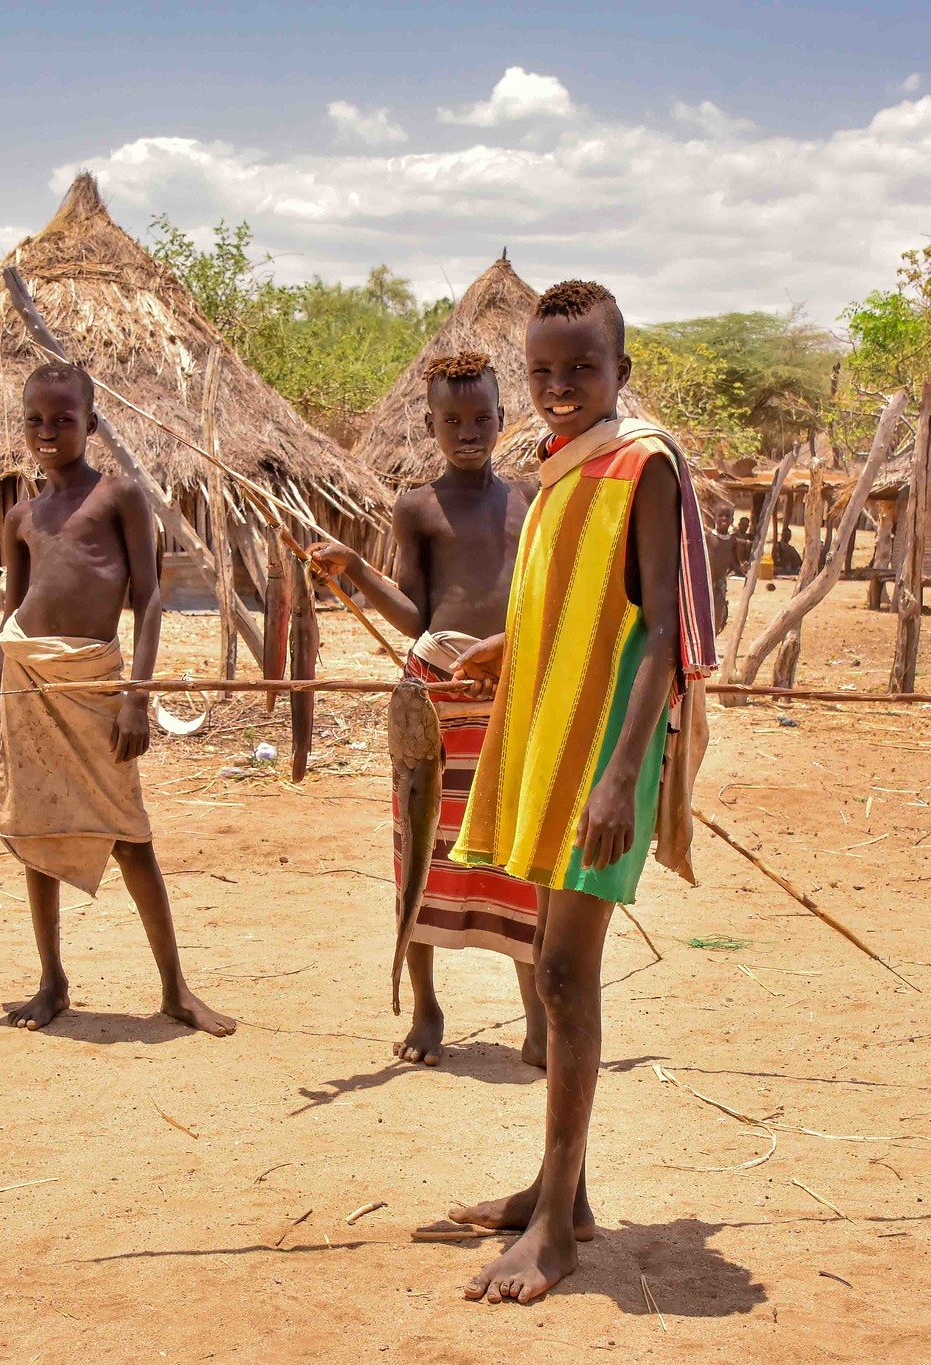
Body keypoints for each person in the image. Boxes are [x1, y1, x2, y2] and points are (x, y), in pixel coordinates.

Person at [445, 281, 718, 1304]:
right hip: (555, 733)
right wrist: (509, 647)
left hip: (607, 748)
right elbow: (582, 601)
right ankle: (561, 1193)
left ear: (619, 372)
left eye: (581, 370)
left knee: (562, 975)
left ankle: (555, 1230)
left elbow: (658, 631)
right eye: (544, 371)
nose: (559, 387)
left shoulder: (641, 465)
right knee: (549, 969)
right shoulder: (562, 469)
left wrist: (618, 775)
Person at [0, 362, 234, 1038]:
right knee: (34, 829)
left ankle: (176, 988)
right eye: (36, 419)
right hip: (27, 677)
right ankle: (51, 980)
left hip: (96, 681)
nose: (49, 431)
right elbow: (10, 613)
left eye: (64, 418)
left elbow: (148, 597)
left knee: (129, 834)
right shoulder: (22, 514)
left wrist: (135, 698)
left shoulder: (120, 496)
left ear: (90, 422)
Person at [308, 353, 543, 1068]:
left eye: (481, 419)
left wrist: (507, 651)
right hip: (436, 692)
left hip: (510, 690)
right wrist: (355, 566)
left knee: (520, 858)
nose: (468, 433)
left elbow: (539, 597)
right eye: (452, 421)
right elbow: (413, 615)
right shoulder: (417, 506)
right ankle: (425, 1007)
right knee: (422, 851)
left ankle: (538, 1015)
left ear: (505, 420)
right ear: (430, 425)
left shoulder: (532, 498)